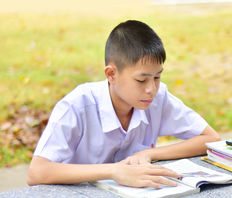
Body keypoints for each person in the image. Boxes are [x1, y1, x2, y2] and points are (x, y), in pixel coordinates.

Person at [27, 20, 220, 189]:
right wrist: (114, 171)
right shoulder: (77, 105)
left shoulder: (157, 98)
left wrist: (149, 153)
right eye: (141, 80)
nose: (151, 88)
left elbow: (210, 139)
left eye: (157, 77)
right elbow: (37, 172)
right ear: (111, 74)